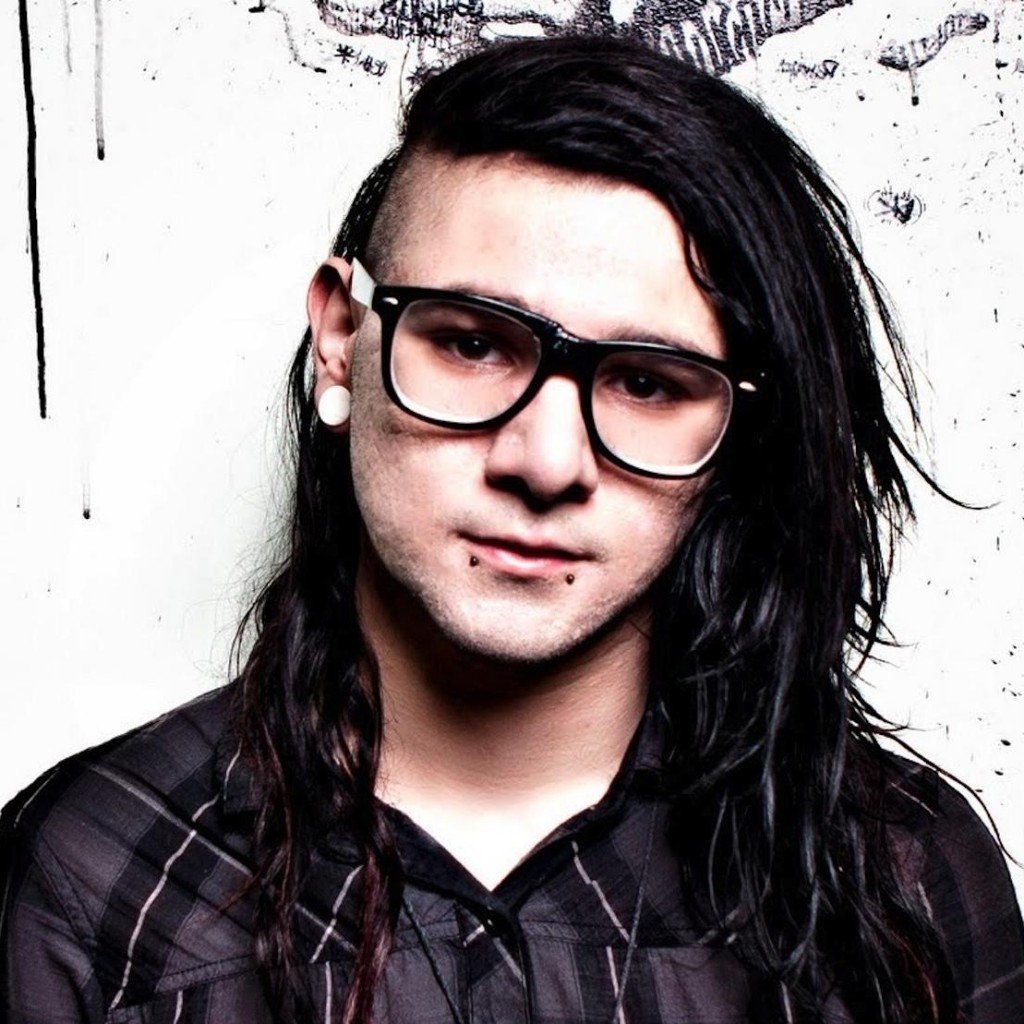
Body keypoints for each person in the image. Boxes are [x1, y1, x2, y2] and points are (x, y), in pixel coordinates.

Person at [1, 34, 1021, 1024]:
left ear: (735, 432)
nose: (545, 461)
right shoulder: (93, 880)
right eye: (473, 344)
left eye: (645, 383)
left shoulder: (907, 877)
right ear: (340, 342)